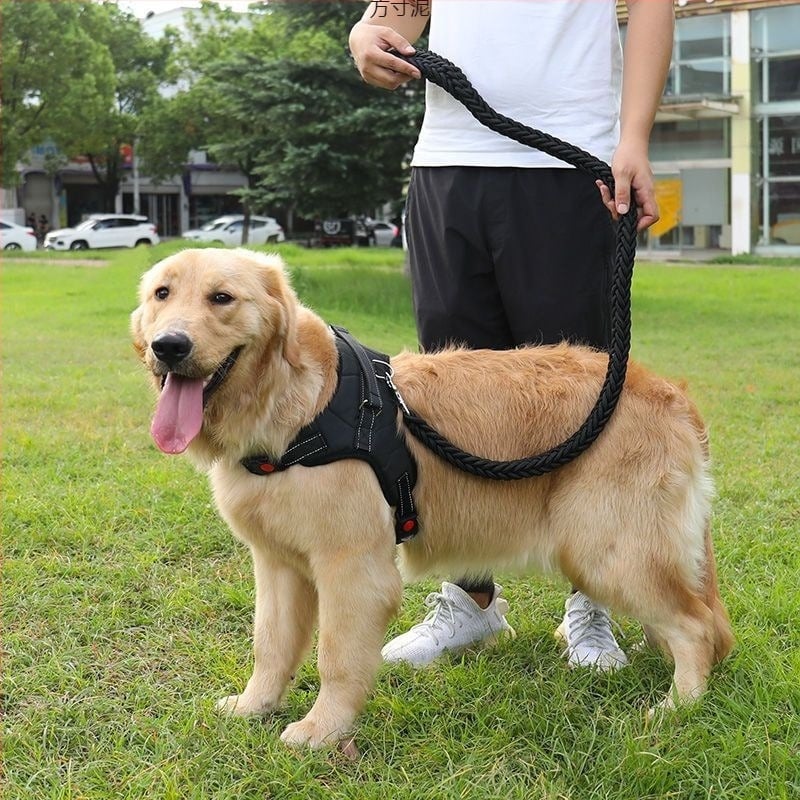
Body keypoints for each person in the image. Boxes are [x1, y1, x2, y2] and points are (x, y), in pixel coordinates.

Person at [349, 0, 674, 671]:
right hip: (447, 163)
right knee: (451, 397)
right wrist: (369, 35)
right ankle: (469, 601)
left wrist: (634, 137)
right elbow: (405, 11)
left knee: (581, 396)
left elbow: (652, 6)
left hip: (567, 162)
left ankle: (594, 601)